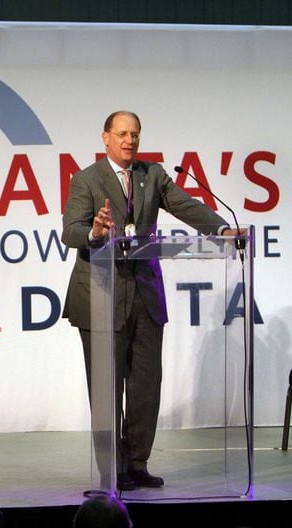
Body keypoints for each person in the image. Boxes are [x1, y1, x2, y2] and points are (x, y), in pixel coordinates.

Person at [61, 111, 243, 491]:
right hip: (100, 296)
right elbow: (70, 232)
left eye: (136, 134)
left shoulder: (153, 174)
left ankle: (137, 461)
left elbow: (185, 205)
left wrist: (221, 229)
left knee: (146, 386)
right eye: (123, 134)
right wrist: (95, 231)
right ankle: (113, 470)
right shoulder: (86, 180)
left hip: (145, 296)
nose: (130, 140)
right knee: (107, 390)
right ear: (106, 138)